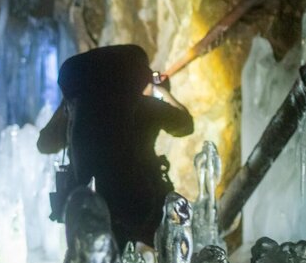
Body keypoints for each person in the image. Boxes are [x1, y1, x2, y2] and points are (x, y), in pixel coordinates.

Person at [38, 44, 193, 250]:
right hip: (143, 198)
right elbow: (185, 125)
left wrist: (70, 104)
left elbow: (45, 144)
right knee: (173, 253)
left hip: (93, 206)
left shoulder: (80, 114)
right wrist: (164, 92)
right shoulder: (146, 107)